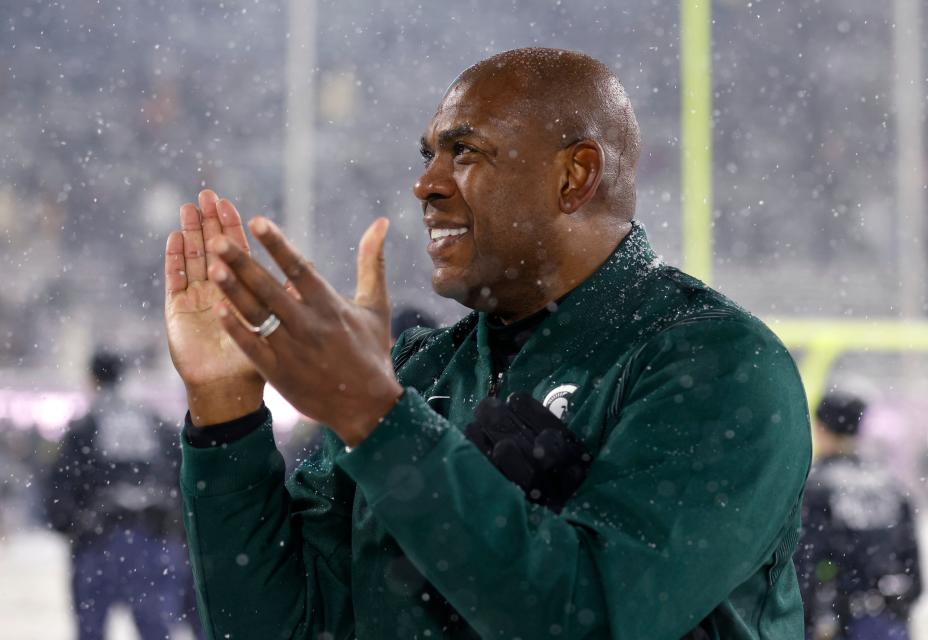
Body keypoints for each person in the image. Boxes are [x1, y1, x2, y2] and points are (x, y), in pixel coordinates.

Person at [164, 48, 812, 639]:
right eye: (428, 157)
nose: (428, 185)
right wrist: (225, 414)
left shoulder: (717, 366)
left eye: (465, 152)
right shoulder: (418, 373)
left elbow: (594, 620)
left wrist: (382, 423)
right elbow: (283, 628)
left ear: (575, 176)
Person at [44, 349, 197, 640]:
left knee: (91, 629)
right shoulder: (153, 420)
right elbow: (183, 472)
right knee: (155, 629)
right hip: (155, 537)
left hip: (99, 538)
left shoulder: (85, 425)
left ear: (92, 379)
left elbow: (61, 484)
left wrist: (70, 523)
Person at [794, 393, 923, 640]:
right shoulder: (889, 486)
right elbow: (914, 570)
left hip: (831, 623)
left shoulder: (814, 488)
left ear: (821, 428)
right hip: (888, 620)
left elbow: (803, 565)